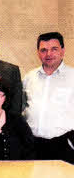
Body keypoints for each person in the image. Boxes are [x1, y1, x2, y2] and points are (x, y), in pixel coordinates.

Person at [23, 32, 74, 164]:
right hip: (33, 145)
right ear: (38, 53)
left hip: (63, 144)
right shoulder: (29, 77)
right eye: (43, 50)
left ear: (62, 51)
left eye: (54, 49)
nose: (48, 54)